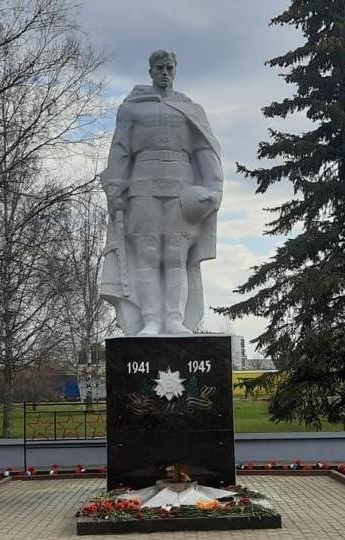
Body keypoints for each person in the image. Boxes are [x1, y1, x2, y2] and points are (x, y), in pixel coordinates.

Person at [100, 50, 223, 336]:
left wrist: (214, 188)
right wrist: (115, 189)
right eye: (159, 68)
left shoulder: (191, 108)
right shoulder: (131, 108)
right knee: (147, 254)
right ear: (150, 71)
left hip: (182, 191)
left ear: (175, 70)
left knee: (175, 256)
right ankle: (151, 320)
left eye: (169, 68)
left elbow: (205, 150)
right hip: (142, 188)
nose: (164, 73)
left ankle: (173, 320)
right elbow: (120, 150)